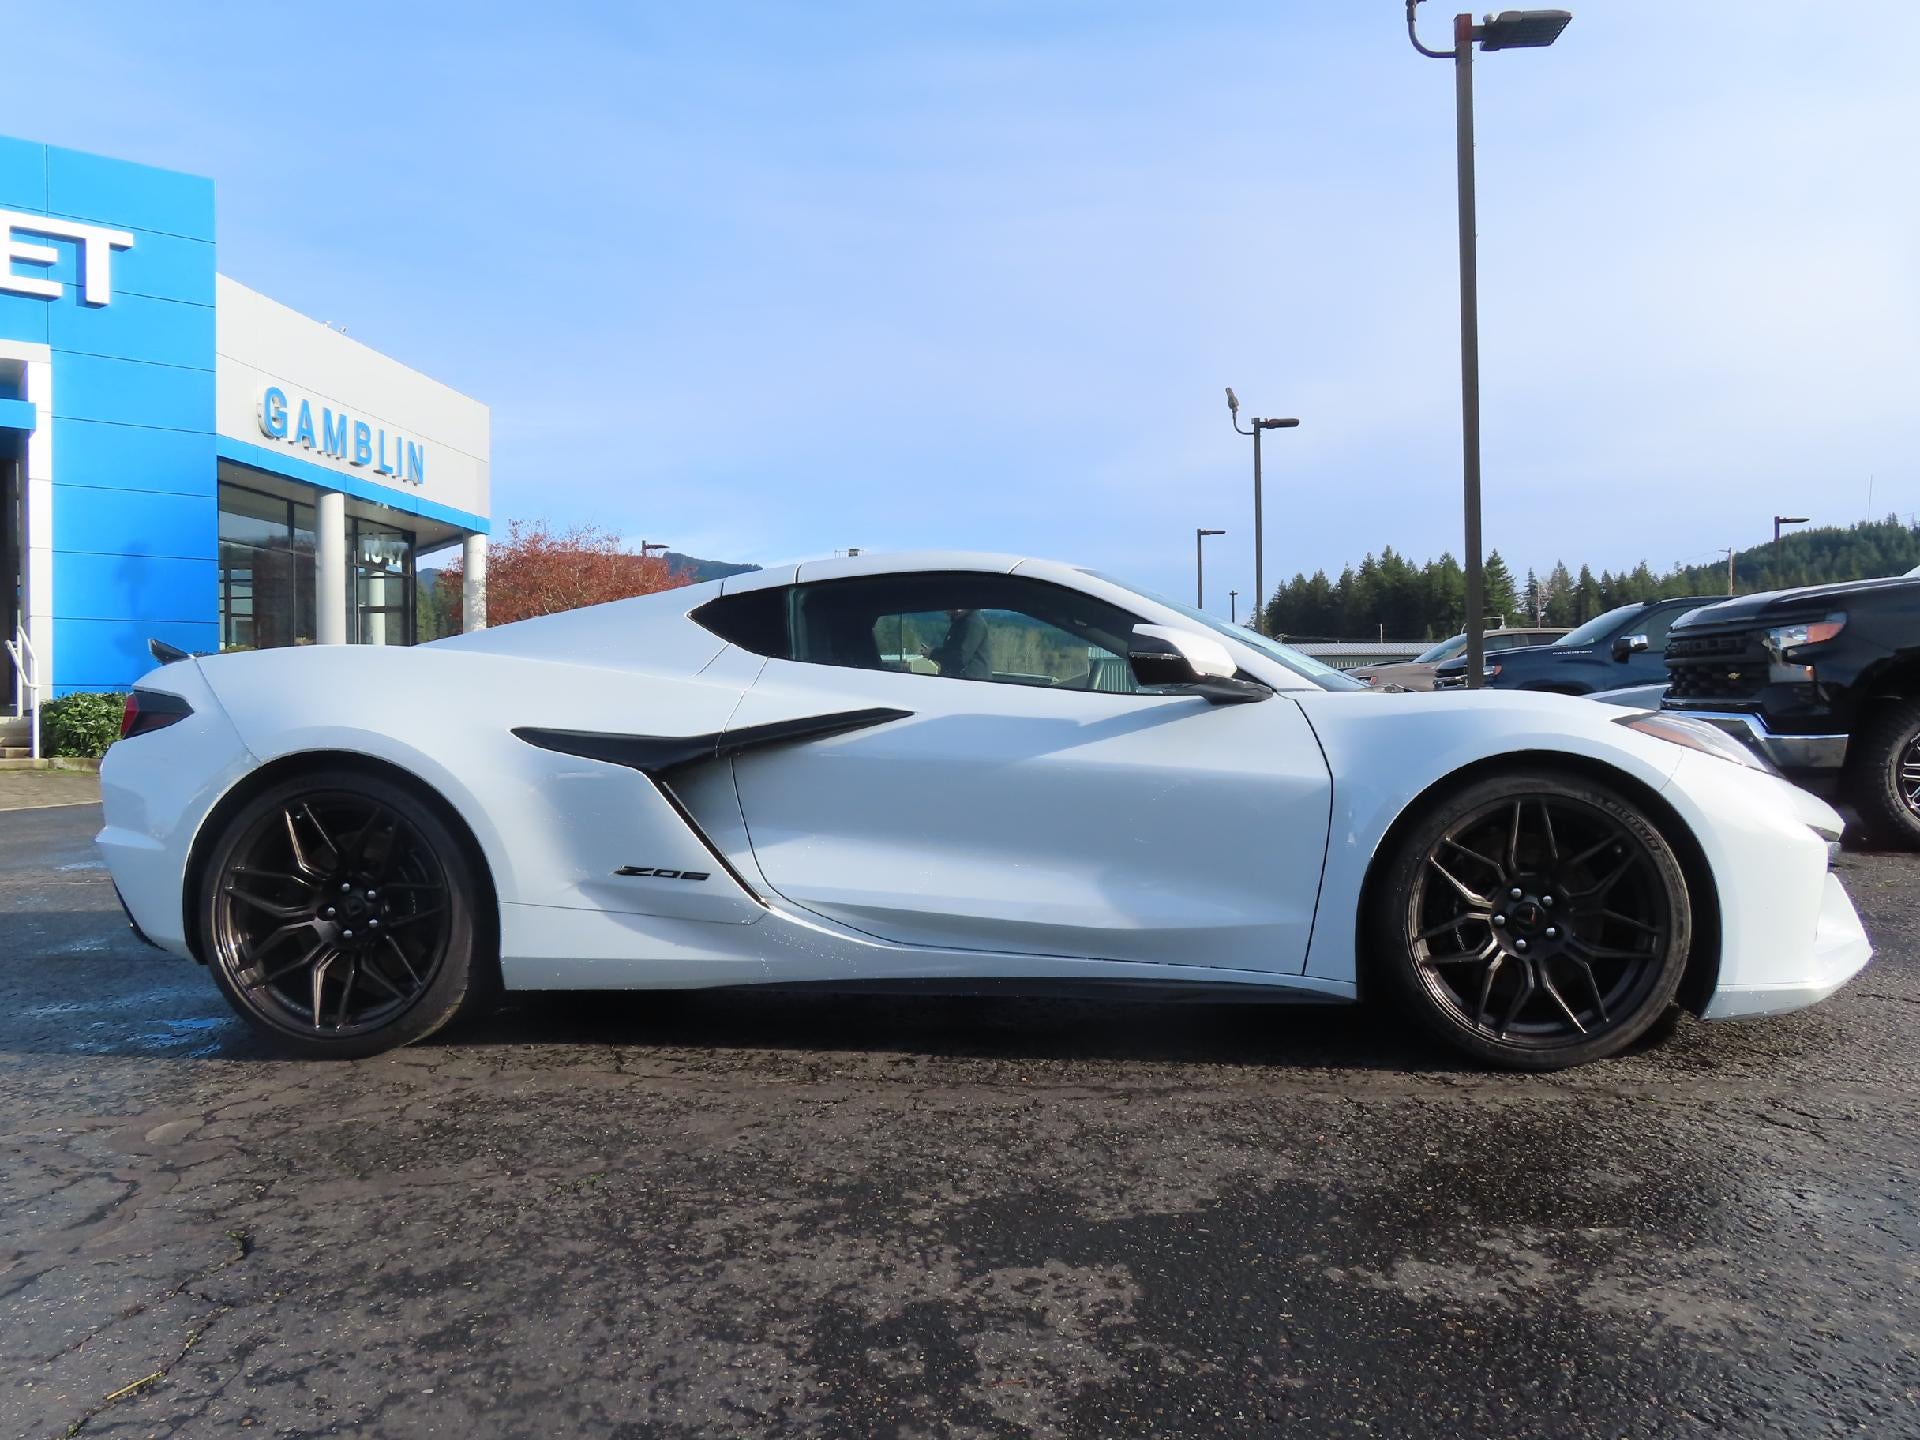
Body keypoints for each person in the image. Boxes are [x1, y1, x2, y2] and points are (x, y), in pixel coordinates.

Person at [922, 607, 991, 680]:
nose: (957, 610)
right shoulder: (961, 622)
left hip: (971, 682)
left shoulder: (973, 623)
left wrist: (933, 653)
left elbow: (960, 658)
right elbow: (952, 651)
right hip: (964, 680)